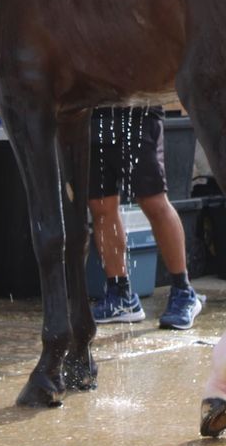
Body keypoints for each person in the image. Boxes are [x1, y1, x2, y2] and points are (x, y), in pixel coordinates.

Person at [87, 106, 204, 329]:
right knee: (100, 205)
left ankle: (184, 291)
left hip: (137, 112)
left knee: (153, 201)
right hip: (94, 115)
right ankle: (121, 295)